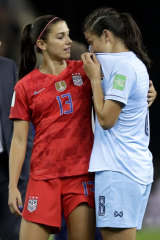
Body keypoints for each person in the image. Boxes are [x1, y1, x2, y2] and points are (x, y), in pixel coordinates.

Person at [8, 15, 95, 240]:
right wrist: (13, 186)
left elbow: (118, 92)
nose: (68, 41)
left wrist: (148, 92)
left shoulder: (85, 71)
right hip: (43, 177)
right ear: (41, 44)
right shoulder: (25, 86)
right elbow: (18, 141)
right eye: (60, 36)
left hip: (80, 174)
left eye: (68, 35)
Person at [81, 7, 155, 240]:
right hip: (134, 166)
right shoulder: (134, 63)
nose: (91, 51)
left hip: (118, 171)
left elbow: (105, 120)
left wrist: (94, 80)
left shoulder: (122, 68)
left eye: (92, 42)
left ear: (107, 35)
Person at [0, 40, 33, 240]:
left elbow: (24, 124)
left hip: (6, 166)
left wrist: (25, 169)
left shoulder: (8, 68)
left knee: (13, 232)